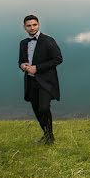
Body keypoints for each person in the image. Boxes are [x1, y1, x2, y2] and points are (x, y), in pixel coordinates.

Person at [19, 14, 63, 144]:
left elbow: (58, 59)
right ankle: (47, 135)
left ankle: (50, 136)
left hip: (45, 81)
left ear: (39, 25)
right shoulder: (23, 43)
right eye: (29, 26)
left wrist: (37, 68)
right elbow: (21, 61)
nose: (32, 28)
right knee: (37, 110)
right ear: (24, 27)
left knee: (44, 108)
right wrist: (22, 65)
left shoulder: (48, 40)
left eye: (34, 25)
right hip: (31, 81)